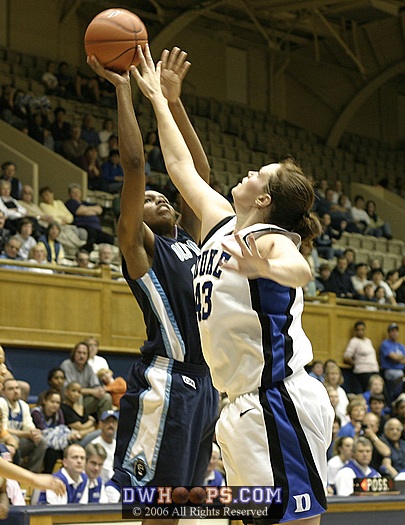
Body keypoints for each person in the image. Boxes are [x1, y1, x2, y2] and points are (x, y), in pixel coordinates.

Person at [129, 44, 334, 524]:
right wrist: (162, 98)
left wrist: (269, 270)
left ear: (263, 198)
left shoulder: (268, 239)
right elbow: (180, 167)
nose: (248, 171)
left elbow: (300, 270)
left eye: (258, 173)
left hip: (278, 398)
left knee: (292, 521)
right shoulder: (223, 223)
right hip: (245, 404)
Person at [87, 47, 218, 503]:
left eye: (165, 197)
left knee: (187, 503)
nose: (160, 198)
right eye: (150, 199)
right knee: (154, 507)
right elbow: (137, 167)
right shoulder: (140, 246)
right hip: (167, 382)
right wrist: (124, 90)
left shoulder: (191, 241)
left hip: (206, 386)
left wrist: (173, 101)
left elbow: (198, 173)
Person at [0, 378, 47, 473]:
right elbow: (3, 429)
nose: (15, 391)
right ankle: (13, 475)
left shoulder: (23, 405)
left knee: (41, 441)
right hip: (3, 441)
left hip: (18, 440)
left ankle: (31, 473)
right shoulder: (1, 403)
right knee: (14, 439)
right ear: (3, 392)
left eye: (17, 388)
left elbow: (29, 426)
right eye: (11, 389)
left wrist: (34, 433)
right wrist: (26, 434)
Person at [31, 389, 81, 473]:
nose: (55, 405)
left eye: (58, 403)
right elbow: (44, 433)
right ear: (45, 401)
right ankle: (46, 474)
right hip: (39, 443)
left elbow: (62, 429)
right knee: (52, 452)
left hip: (56, 444)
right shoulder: (36, 413)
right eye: (52, 402)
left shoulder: (59, 412)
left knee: (70, 448)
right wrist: (65, 436)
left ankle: (68, 474)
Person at [60, 342, 112, 419]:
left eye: (84, 353)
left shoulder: (89, 368)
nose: (82, 356)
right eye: (79, 353)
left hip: (85, 401)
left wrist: (100, 390)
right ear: (74, 353)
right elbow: (72, 390)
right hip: (69, 402)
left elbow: (95, 385)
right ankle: (78, 422)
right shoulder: (66, 365)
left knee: (106, 397)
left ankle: (103, 425)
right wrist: (92, 391)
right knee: (78, 396)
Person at [65, 183, 115, 253]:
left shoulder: (85, 203)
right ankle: (85, 251)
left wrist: (85, 209)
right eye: (73, 192)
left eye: (78, 192)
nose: (76, 194)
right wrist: (92, 210)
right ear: (69, 194)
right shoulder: (70, 202)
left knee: (110, 239)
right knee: (92, 236)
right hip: (84, 225)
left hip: (97, 228)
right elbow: (78, 211)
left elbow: (99, 209)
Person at [343, 321, 380, 393]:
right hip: (363, 371)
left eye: (362, 330)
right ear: (355, 331)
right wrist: (356, 364)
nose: (360, 332)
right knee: (372, 390)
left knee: (381, 388)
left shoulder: (368, 341)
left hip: (374, 369)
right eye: (358, 330)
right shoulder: (354, 341)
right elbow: (347, 356)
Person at [88, 410, 118, 482]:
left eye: (113, 422)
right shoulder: (94, 445)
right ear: (100, 424)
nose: (111, 425)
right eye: (107, 422)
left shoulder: (119, 446)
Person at [379, 323, 405, 402]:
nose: (395, 333)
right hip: (390, 370)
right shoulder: (385, 344)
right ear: (389, 333)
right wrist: (399, 358)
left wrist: (398, 358)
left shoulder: (401, 346)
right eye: (392, 331)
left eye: (396, 331)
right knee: (400, 376)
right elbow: (393, 357)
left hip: (401, 370)